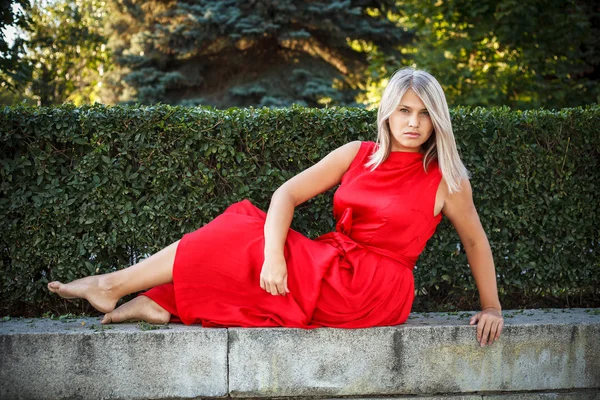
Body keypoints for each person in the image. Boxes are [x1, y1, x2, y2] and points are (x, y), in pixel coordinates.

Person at [48, 67, 504, 347]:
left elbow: (474, 240)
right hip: (334, 260)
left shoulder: (446, 178)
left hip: (373, 288)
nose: (413, 122)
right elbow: (285, 195)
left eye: (424, 114)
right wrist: (273, 255)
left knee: (241, 237)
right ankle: (152, 300)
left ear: (436, 120)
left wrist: (493, 308)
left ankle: (117, 286)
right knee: (249, 237)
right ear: (387, 112)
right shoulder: (357, 153)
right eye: (404, 110)